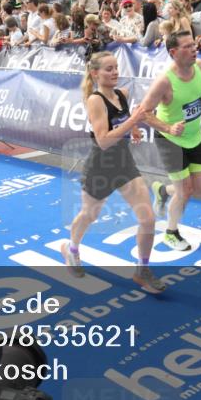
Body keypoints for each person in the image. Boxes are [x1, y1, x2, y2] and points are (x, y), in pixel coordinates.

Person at [60, 52, 166, 293]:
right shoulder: (95, 100)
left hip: (124, 163)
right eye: (108, 69)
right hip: (101, 166)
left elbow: (123, 122)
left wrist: (135, 128)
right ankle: (71, 249)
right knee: (90, 214)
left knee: (148, 218)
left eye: (116, 67)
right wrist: (133, 121)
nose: (115, 72)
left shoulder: (123, 94)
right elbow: (104, 140)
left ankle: (142, 270)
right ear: (95, 74)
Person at [134, 31, 201, 252]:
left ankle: (162, 191)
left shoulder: (200, 66)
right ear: (173, 52)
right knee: (185, 192)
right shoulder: (164, 82)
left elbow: (196, 96)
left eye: (193, 44)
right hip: (170, 140)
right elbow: (144, 112)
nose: (194, 49)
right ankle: (171, 233)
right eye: (187, 46)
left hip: (193, 137)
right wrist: (168, 127)